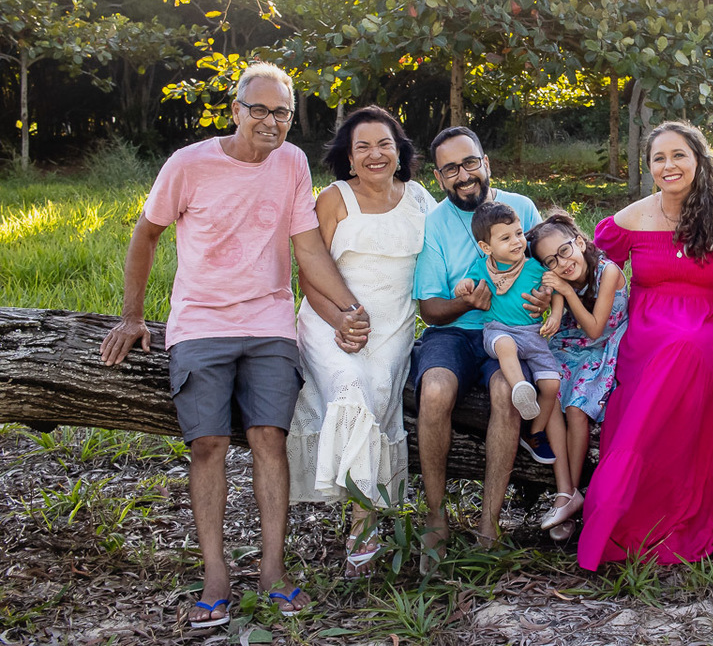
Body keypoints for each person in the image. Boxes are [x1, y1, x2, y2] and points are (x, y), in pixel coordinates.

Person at [99, 63, 367, 626]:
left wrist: (347, 308)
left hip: (269, 320)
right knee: (208, 445)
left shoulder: (292, 163)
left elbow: (308, 247)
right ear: (237, 109)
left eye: (283, 113)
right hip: (199, 324)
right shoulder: (189, 164)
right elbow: (145, 233)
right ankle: (215, 572)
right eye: (261, 110)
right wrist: (130, 317)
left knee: (269, 437)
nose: (272, 122)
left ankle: (273, 570)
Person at [577, 121, 713, 569]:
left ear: (698, 160)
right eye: (659, 158)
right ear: (649, 165)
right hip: (648, 328)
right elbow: (590, 275)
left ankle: (674, 511)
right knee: (672, 351)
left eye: (679, 155)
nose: (669, 165)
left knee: (687, 347)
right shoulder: (629, 220)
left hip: (708, 329)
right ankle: (618, 509)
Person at [286, 106, 435, 577]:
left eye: (384, 144)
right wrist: (340, 317)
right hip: (331, 321)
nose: (375, 154)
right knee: (350, 384)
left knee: (376, 389)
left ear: (400, 152)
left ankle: (363, 519)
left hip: (392, 327)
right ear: (349, 158)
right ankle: (361, 525)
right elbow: (308, 271)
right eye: (363, 147)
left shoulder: (419, 200)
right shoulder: (333, 198)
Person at [409, 126, 546, 568]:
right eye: (451, 169)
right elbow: (429, 308)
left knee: (507, 392)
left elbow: (550, 268)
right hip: (454, 332)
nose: (463, 175)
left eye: (470, 163)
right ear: (438, 177)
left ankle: (490, 522)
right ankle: (436, 517)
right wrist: (463, 301)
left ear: (485, 162)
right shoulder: (434, 223)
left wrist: (544, 298)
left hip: (510, 329)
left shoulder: (520, 208)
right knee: (434, 391)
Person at [528, 211, 630, 542]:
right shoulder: (558, 278)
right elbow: (558, 315)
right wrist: (552, 314)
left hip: (603, 347)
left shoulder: (608, 270)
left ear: (580, 241)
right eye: (550, 262)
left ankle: (569, 494)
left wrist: (567, 292)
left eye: (564, 251)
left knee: (577, 409)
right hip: (572, 343)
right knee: (550, 392)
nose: (562, 263)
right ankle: (566, 493)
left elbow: (597, 329)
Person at [454, 201, 565, 422]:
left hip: (533, 334)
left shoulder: (534, 267)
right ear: (487, 247)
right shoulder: (482, 267)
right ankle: (520, 388)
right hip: (498, 329)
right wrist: (464, 286)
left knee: (552, 384)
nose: (516, 242)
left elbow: (557, 291)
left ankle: (536, 429)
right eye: (505, 238)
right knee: (506, 346)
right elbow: (465, 283)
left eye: (518, 233)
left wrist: (555, 315)